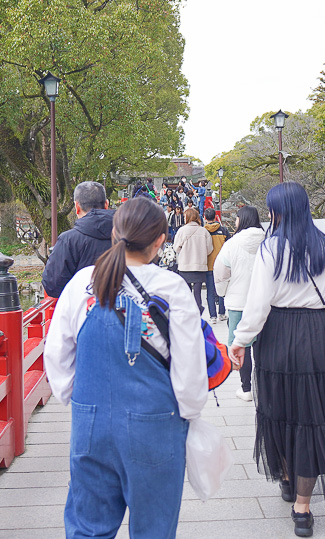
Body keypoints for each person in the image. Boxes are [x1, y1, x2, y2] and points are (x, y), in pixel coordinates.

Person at [45, 197, 207, 539]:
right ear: (161, 239)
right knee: (153, 528)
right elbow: (189, 368)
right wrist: (190, 413)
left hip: (91, 423)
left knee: (88, 526)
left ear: (114, 232)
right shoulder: (171, 288)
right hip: (155, 425)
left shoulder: (82, 283)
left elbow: (57, 354)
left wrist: (77, 399)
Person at [229, 182, 325, 537]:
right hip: (319, 335)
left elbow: (259, 303)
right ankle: (303, 509)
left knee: (279, 411)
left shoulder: (271, 248)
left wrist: (241, 339)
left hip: (279, 335)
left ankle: (287, 478)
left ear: (277, 212)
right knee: (313, 416)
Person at [213, 205, 263, 402]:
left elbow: (221, 271)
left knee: (243, 345)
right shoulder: (269, 241)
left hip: (238, 303)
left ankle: (246, 389)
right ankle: (264, 386)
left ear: (242, 220)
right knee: (263, 347)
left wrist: (223, 293)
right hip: (264, 304)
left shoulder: (232, 244)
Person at [42, 181, 115, 298]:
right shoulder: (129, 236)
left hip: (82, 310)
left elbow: (53, 286)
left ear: (77, 206)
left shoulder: (68, 240)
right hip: (124, 310)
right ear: (106, 204)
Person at [172, 207, 212, 314]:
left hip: (185, 266)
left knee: (186, 292)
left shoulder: (181, 231)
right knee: (197, 293)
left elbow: (176, 247)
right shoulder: (204, 231)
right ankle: (198, 312)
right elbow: (209, 249)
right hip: (199, 266)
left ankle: (187, 312)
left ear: (188, 217)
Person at [202, 207, 229, 324]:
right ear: (215, 216)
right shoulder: (223, 230)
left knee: (210, 290)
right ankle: (222, 313)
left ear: (205, 218)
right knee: (222, 289)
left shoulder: (203, 231)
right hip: (222, 264)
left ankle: (213, 316)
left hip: (208, 264)